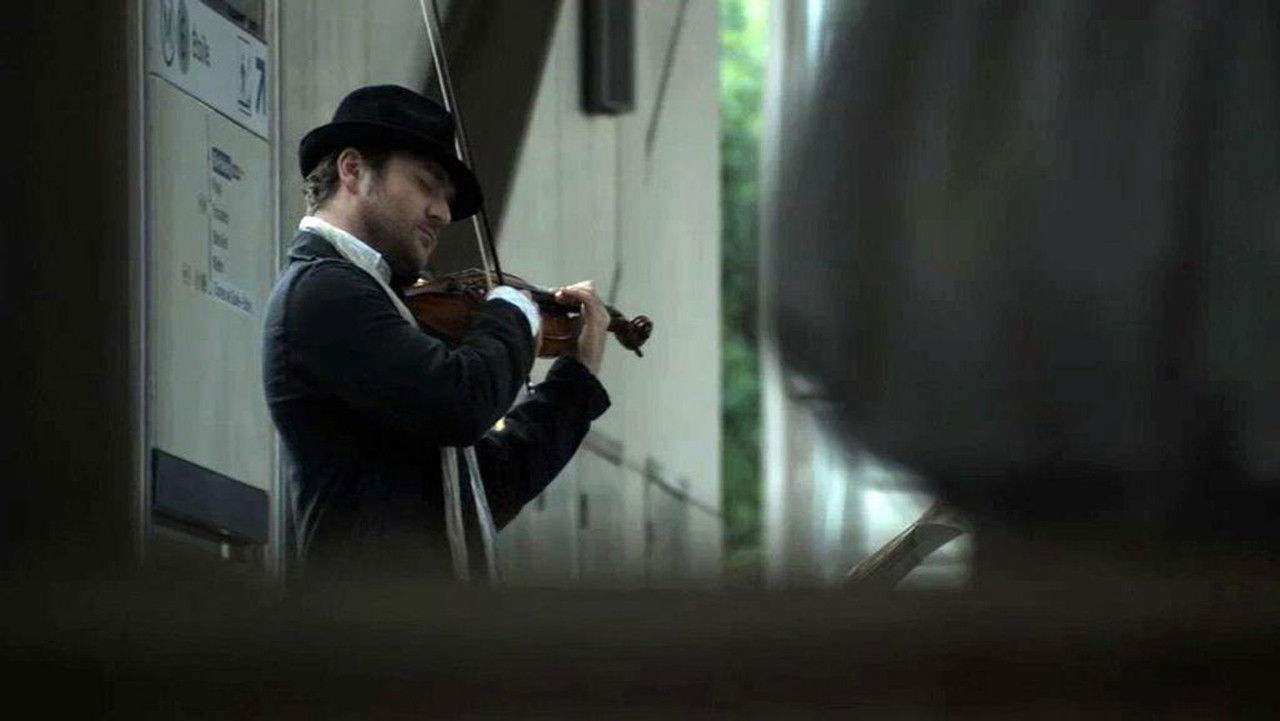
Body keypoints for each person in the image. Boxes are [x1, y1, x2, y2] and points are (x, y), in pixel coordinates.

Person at [263, 84, 612, 586]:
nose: (443, 213)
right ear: (353, 169)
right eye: (427, 184)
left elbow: (480, 493)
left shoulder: (375, 297)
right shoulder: (325, 290)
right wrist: (511, 309)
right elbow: (461, 402)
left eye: (446, 199)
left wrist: (575, 381)